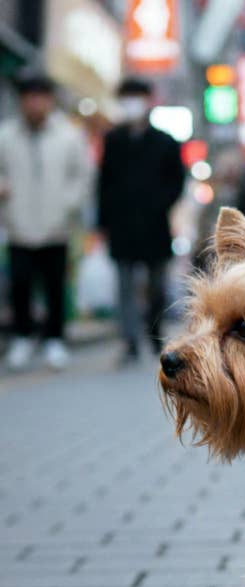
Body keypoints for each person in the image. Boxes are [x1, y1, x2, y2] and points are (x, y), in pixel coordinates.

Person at [0, 70, 91, 371]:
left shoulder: (68, 135)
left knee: (54, 286)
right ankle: (22, 337)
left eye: (40, 97)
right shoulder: (6, 137)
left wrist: (67, 205)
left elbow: (82, 176)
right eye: (29, 97)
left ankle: (55, 339)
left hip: (56, 227)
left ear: (50, 100)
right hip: (18, 226)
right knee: (20, 284)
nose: (34, 103)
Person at [98, 77, 185, 364]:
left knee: (156, 283)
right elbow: (104, 183)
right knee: (124, 284)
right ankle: (130, 340)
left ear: (149, 101)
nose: (132, 104)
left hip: (154, 224)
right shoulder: (113, 140)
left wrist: (160, 204)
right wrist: (104, 221)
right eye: (127, 97)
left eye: (137, 97)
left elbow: (177, 181)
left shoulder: (165, 141)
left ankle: (154, 330)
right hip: (121, 224)